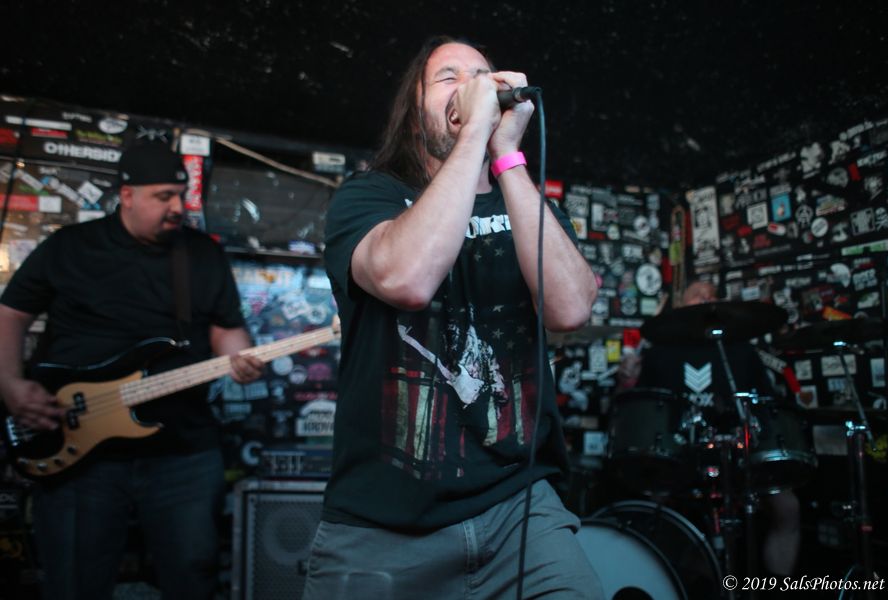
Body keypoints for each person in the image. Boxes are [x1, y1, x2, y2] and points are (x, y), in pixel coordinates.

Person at [303, 36, 602, 599]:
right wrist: (472, 136)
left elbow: (570, 308)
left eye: (482, 74)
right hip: (383, 525)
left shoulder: (527, 202)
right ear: (415, 111)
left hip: (519, 511)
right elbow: (407, 279)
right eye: (449, 77)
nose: (472, 85)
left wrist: (507, 156)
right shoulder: (368, 197)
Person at [0, 143, 264, 600]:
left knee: (192, 575)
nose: (178, 207)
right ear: (127, 195)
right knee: (75, 580)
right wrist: (8, 383)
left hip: (181, 447)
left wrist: (240, 360)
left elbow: (227, 330)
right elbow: (10, 315)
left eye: (180, 195)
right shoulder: (70, 246)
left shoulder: (200, 254)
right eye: (164, 196)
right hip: (79, 446)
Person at [620, 280, 802, 577]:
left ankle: (779, 590)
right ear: (680, 305)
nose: (705, 299)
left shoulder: (741, 352)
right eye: (697, 295)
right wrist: (626, 380)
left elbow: (765, 407)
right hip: (680, 454)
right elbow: (641, 414)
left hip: (738, 454)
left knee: (787, 507)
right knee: (652, 504)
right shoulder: (660, 353)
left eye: (710, 295)